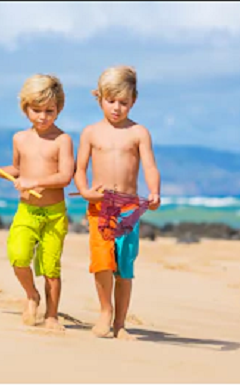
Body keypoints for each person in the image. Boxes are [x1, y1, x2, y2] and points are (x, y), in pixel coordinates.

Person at [0, 74, 74, 331]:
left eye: (49, 111)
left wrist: (35, 182)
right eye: (36, 110)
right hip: (26, 211)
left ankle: (52, 315)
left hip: (54, 214)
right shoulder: (20, 138)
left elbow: (65, 176)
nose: (42, 116)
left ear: (59, 109)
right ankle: (32, 294)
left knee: (51, 267)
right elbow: (18, 169)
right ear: (25, 109)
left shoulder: (62, 140)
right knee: (18, 256)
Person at [74, 65, 161, 340]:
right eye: (110, 101)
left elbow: (149, 166)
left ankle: (120, 323)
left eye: (123, 103)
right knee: (102, 261)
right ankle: (104, 312)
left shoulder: (139, 133)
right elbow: (79, 169)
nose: (116, 108)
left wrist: (155, 191)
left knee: (124, 266)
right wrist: (85, 192)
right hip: (100, 206)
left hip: (129, 209)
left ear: (133, 101)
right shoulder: (90, 132)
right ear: (99, 97)